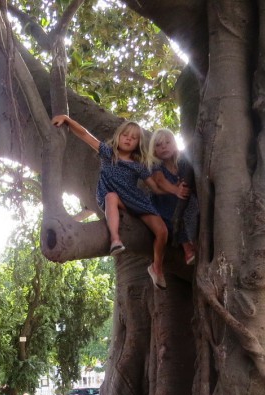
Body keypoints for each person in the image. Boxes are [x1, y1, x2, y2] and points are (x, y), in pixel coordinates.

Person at [52, 114, 177, 290]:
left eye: (134, 138)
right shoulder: (108, 153)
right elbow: (85, 135)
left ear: (137, 144)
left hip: (136, 200)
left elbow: (155, 188)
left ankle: (156, 267)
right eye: (126, 135)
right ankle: (115, 239)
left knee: (162, 231)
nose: (128, 139)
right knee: (110, 196)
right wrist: (67, 119)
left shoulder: (138, 164)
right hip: (116, 198)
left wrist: (175, 190)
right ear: (118, 136)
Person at [148, 128, 197, 265]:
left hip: (183, 197)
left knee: (193, 204)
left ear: (175, 145)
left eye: (167, 143)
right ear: (154, 151)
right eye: (158, 145)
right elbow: (160, 181)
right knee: (173, 210)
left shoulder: (181, 162)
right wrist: (175, 190)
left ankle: (196, 239)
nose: (163, 147)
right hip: (163, 201)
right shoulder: (156, 164)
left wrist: (183, 188)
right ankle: (187, 248)